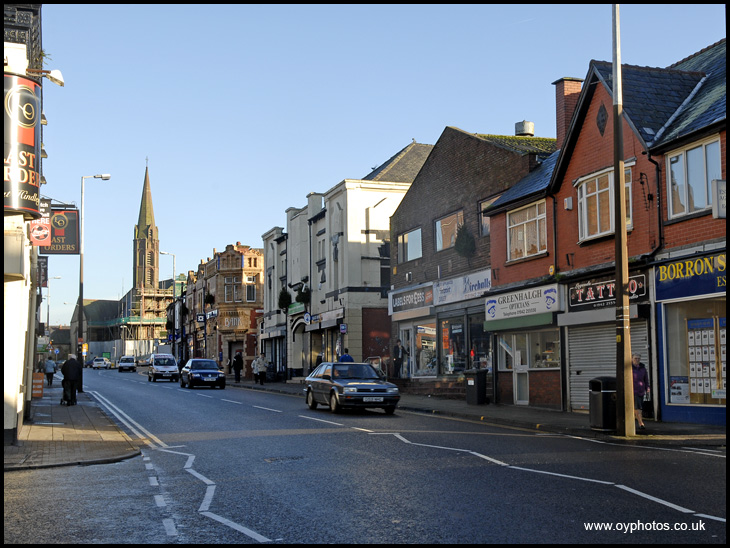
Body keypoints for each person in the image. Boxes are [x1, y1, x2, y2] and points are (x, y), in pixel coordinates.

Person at [632, 352, 650, 430]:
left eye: (638, 358)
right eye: (635, 358)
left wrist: (647, 388)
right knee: (637, 407)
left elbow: (646, 379)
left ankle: (637, 422)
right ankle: (641, 423)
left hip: (641, 391)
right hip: (633, 391)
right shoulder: (629, 368)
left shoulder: (643, 369)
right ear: (632, 359)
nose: (637, 360)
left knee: (638, 407)